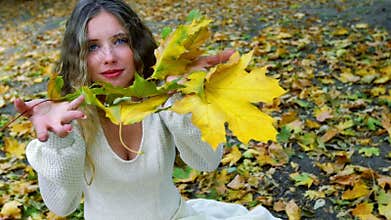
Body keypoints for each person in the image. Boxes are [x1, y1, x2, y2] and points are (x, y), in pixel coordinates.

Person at [14, 0, 280, 219]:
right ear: (78, 56)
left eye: (120, 41)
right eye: (93, 46)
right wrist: (59, 142)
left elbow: (206, 162)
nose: (109, 57)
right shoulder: (70, 118)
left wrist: (183, 100)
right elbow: (61, 206)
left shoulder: (160, 101)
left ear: (137, 45)